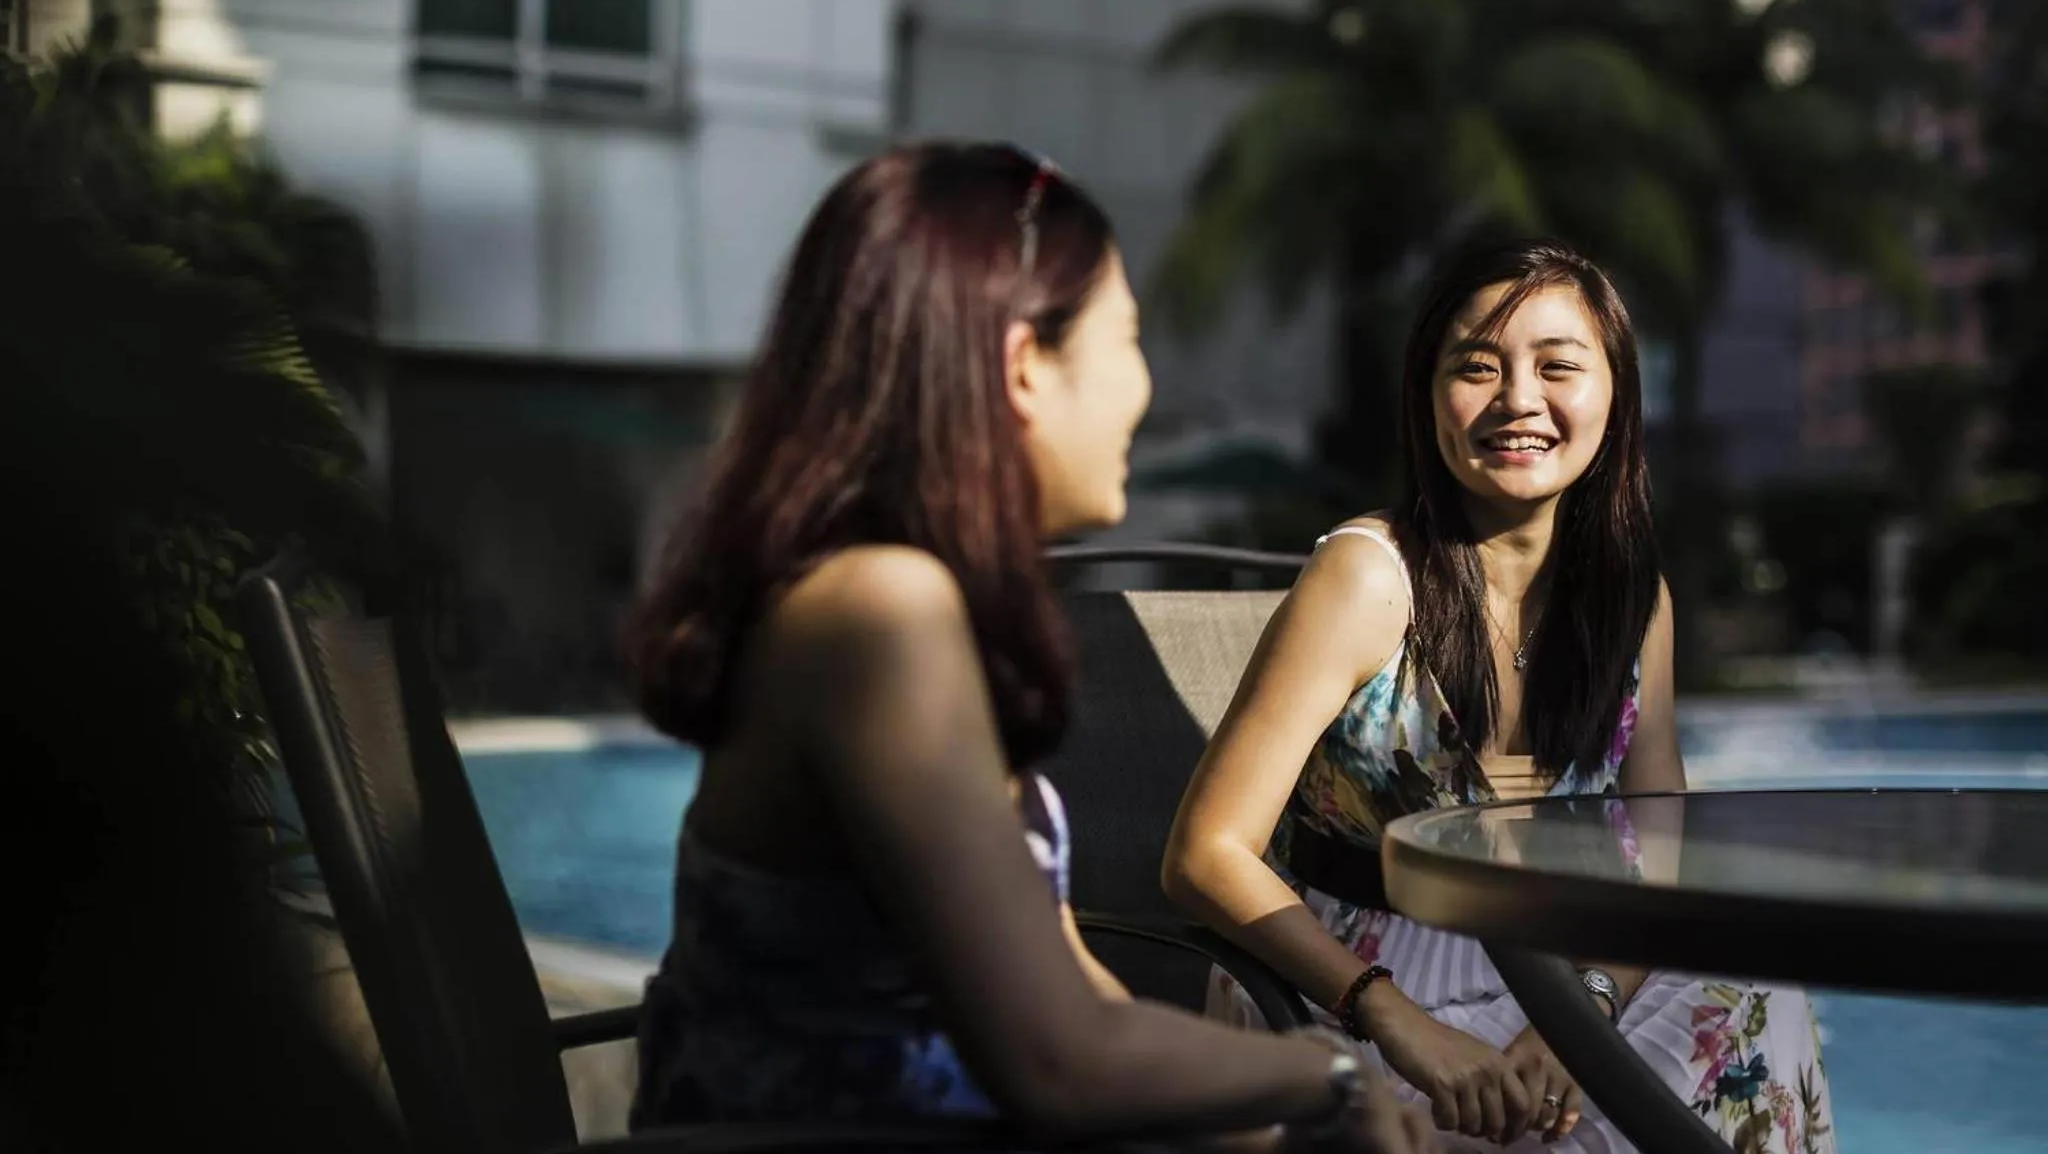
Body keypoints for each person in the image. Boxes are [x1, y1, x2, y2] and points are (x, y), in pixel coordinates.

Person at [625, 144, 1435, 1153]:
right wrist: (1331, 1077)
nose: (1144, 386)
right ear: (1022, 368)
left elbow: (1070, 993)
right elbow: (1057, 1062)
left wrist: (1265, 1132)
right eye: (1127, 339)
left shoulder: (901, 599)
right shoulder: (880, 611)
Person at [1162, 239, 1835, 1153]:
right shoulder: (1367, 581)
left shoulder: (1633, 600)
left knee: (1758, 989)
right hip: (1352, 988)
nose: (1518, 399)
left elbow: (1659, 848)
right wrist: (1395, 1019)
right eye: (1477, 367)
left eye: (1558, 367)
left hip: (1562, 969)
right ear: (1428, 396)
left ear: (1616, 394)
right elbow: (1204, 855)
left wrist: (1587, 1010)